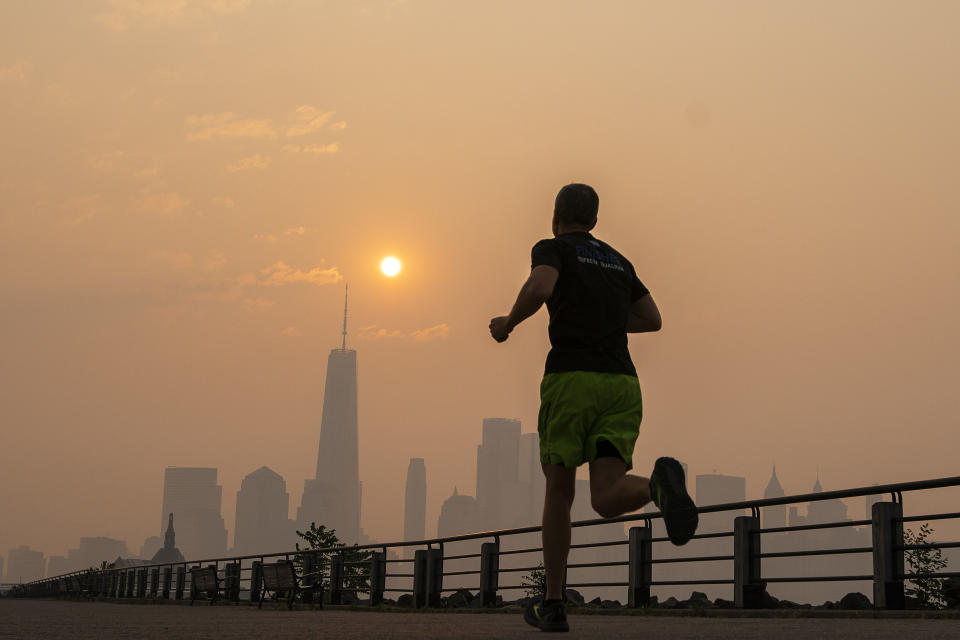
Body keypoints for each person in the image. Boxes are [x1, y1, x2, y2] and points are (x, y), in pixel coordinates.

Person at [489, 183, 698, 633]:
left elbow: (541, 286)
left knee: (559, 494)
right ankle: (658, 488)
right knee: (605, 497)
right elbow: (652, 319)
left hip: (572, 380)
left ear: (555, 216)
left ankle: (553, 604)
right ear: (596, 222)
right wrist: (603, 316)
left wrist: (507, 324)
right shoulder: (618, 261)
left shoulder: (552, 247)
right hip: (622, 384)